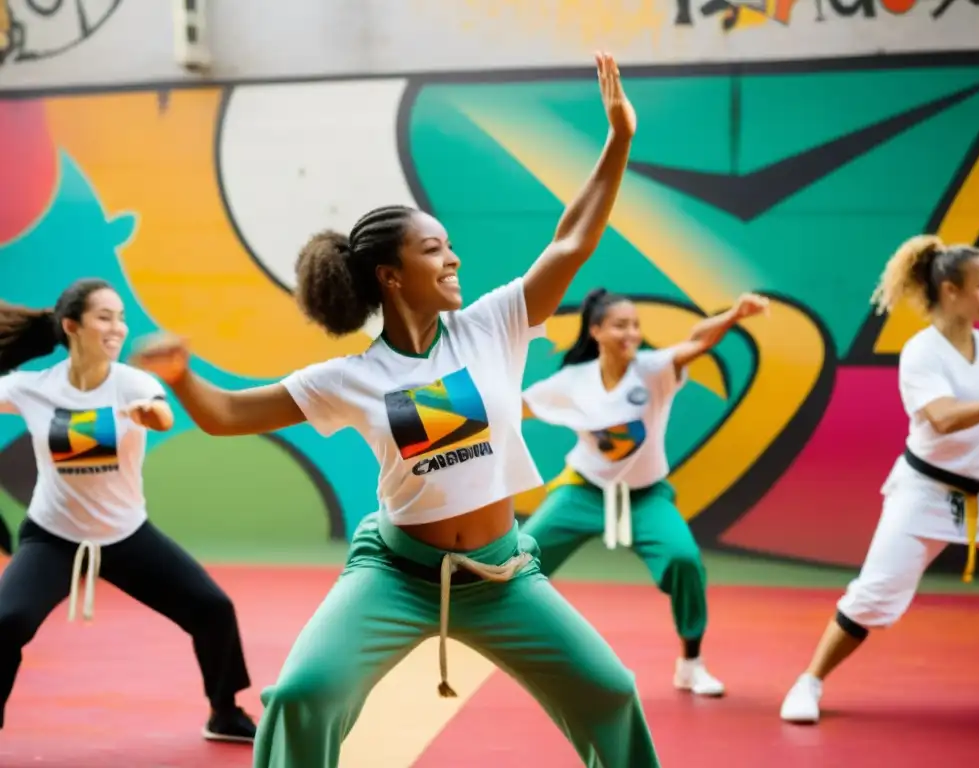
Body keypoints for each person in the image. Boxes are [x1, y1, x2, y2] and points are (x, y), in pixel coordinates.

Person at [131, 53, 662, 768]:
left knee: (609, 692)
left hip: (503, 575)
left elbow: (573, 239)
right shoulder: (349, 377)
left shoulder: (493, 325)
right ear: (391, 275)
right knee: (300, 697)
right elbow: (227, 414)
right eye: (434, 248)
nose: (454, 258)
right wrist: (183, 377)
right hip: (396, 576)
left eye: (449, 245)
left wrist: (619, 137)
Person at [779, 235, 979, 724]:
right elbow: (943, 417)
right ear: (951, 290)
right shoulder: (921, 353)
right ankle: (809, 681)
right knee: (873, 596)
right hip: (925, 495)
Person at [0, 279, 257, 742]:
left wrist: (148, 414)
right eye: (104, 317)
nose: (117, 328)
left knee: (213, 608)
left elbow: (163, 414)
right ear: (72, 326)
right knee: (6, 623)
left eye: (121, 318)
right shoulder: (33, 388)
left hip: (125, 535)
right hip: (52, 537)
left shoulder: (134, 382)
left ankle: (225, 712)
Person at [521, 287, 769, 698]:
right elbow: (516, 406)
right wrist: (435, 411)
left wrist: (732, 316)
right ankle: (514, 644)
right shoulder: (572, 381)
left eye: (635, 325)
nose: (631, 333)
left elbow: (699, 340)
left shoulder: (653, 369)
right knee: (522, 555)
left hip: (645, 496)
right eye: (621, 325)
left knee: (684, 560)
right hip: (583, 489)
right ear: (597, 330)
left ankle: (691, 664)